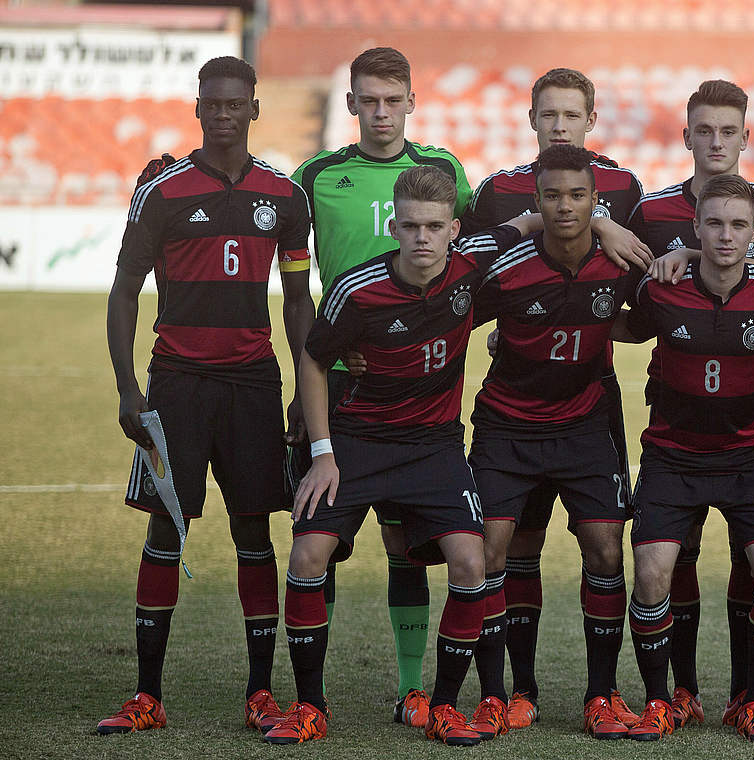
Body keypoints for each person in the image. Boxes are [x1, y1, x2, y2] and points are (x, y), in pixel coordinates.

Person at [273, 165, 526, 746]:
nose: (421, 238)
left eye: (434, 226)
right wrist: (323, 453)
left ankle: (442, 705)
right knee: (309, 554)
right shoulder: (355, 290)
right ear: (395, 224)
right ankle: (310, 706)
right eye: (409, 225)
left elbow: (531, 222)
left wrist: (610, 233)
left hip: (433, 445)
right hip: (357, 441)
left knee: (472, 561)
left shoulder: (471, 260)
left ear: (453, 227)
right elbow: (313, 361)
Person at [99, 56, 314, 736]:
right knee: (167, 526)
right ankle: (147, 697)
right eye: (212, 104)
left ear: (254, 110)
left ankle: (259, 692)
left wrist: (306, 390)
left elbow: (299, 300)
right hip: (177, 384)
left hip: (253, 381)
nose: (223, 114)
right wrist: (129, 387)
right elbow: (124, 290)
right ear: (197, 109)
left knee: (254, 527)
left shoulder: (284, 197)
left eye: (235, 104)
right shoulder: (162, 192)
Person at [290, 46, 474, 730]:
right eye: (368, 99)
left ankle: (412, 689)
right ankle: (314, 697)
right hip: (336, 386)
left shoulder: (444, 172)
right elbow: (292, 282)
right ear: (351, 104)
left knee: (407, 548)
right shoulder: (316, 176)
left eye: (392, 99)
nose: (380, 111)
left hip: (418, 397)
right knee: (321, 540)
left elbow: (485, 247)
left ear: (411, 102)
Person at [460, 68, 648, 732]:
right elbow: (457, 309)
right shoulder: (504, 251)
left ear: (597, 199)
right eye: (553, 198)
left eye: (580, 198)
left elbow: (665, 302)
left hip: (587, 417)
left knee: (604, 547)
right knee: (500, 550)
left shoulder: (621, 239)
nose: (565, 206)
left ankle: (602, 692)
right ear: (537, 199)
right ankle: (510, 689)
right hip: (509, 423)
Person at [614, 174, 754, 743]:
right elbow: (620, 329)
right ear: (695, 229)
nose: (725, 235)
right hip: (672, 457)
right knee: (654, 572)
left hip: (749, 457)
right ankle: (662, 701)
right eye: (714, 223)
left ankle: (751, 702)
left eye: (738, 225)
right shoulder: (659, 290)